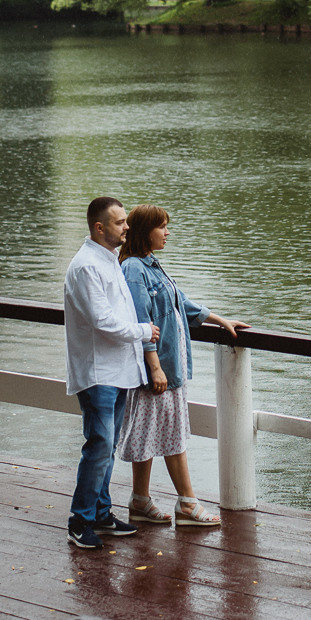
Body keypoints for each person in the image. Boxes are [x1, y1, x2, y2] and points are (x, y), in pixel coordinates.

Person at [118, 204, 250, 528]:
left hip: (168, 366)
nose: (167, 232)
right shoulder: (134, 269)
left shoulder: (150, 264)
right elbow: (140, 320)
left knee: (150, 432)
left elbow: (182, 303)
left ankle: (139, 501)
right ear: (144, 230)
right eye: (162, 226)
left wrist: (219, 319)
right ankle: (188, 504)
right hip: (159, 369)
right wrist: (155, 367)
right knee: (172, 434)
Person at [64, 196, 161, 550]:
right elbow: (103, 322)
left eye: (126, 221)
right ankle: (80, 519)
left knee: (108, 445)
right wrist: (143, 331)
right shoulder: (87, 266)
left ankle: (102, 514)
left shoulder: (110, 262)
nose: (127, 227)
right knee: (100, 444)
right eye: (120, 222)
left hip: (118, 371)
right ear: (99, 227)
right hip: (97, 372)